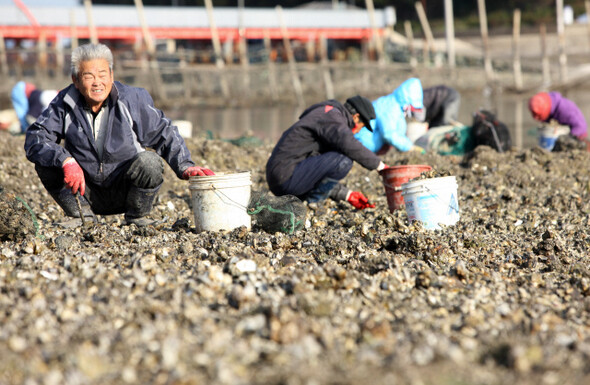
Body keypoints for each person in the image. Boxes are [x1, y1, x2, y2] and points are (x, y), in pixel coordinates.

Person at [24, 43, 214, 227]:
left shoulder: (132, 98)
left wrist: (185, 165)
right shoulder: (64, 103)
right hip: (82, 191)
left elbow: (164, 132)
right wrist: (66, 161)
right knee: (46, 160)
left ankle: (137, 216)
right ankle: (81, 215)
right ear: (75, 80)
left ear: (112, 75)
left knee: (149, 162)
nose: (97, 82)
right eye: (89, 76)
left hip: (126, 190)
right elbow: (36, 137)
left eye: (102, 74)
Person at [266, 95, 388, 210]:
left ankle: (309, 201)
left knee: (339, 156)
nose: (357, 132)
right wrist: (380, 166)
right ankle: (313, 204)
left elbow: (316, 171)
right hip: (286, 177)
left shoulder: (326, 114)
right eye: (361, 127)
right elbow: (348, 143)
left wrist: (347, 195)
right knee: (343, 159)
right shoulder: (331, 116)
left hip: (282, 178)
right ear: (355, 117)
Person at [354, 77, 426, 155]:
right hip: (363, 146)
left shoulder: (395, 105)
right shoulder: (390, 108)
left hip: (368, 147)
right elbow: (388, 134)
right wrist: (409, 147)